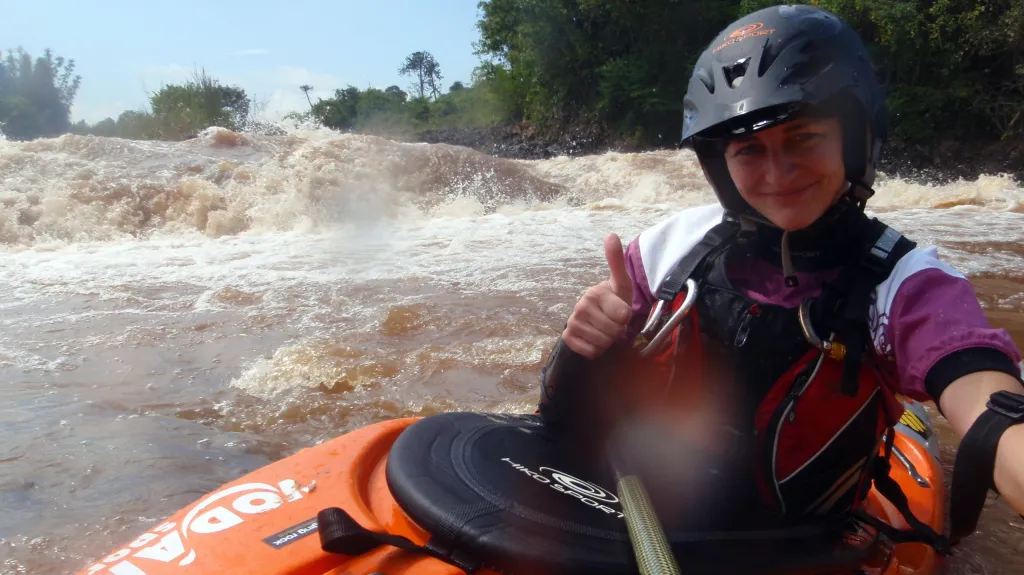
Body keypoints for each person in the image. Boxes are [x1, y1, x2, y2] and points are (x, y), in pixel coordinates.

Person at [537, 3, 1024, 548]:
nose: (776, 174)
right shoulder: (669, 247)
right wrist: (581, 349)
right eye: (748, 150)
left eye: (803, 138)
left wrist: (1008, 439)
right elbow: (559, 422)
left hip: (795, 547)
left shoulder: (906, 283)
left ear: (855, 138)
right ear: (720, 163)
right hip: (642, 522)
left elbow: (982, 393)